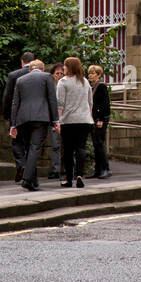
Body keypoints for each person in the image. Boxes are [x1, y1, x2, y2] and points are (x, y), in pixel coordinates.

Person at [10, 58, 60, 191]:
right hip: (40, 117)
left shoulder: (20, 80)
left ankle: (33, 180)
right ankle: (27, 179)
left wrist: (13, 124)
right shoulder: (47, 77)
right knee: (35, 148)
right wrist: (56, 120)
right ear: (42, 68)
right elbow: (52, 99)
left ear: (30, 69)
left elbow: (15, 103)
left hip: (23, 119)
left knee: (28, 149)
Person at [56, 57, 93, 188]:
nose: (63, 69)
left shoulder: (63, 82)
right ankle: (79, 175)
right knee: (80, 148)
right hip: (84, 120)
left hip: (68, 120)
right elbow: (90, 102)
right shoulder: (85, 82)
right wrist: (89, 116)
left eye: (65, 66)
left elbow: (60, 104)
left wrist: (58, 121)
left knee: (68, 150)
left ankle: (68, 178)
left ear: (69, 67)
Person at [2, 50, 35, 182]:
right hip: (35, 115)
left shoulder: (13, 75)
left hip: (17, 114)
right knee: (31, 143)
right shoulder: (40, 76)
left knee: (16, 141)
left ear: (22, 62)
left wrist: (7, 114)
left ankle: (21, 165)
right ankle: (29, 170)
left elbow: (7, 96)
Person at [87, 65, 112, 178]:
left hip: (100, 119)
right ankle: (98, 169)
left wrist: (101, 119)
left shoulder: (101, 86)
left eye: (93, 73)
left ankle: (106, 168)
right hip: (94, 118)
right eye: (89, 73)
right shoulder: (92, 87)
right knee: (96, 144)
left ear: (98, 75)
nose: (90, 75)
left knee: (99, 144)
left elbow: (104, 104)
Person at [46, 62, 65, 176]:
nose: (59, 75)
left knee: (67, 146)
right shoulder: (51, 87)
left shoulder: (66, 85)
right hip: (54, 120)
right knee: (55, 146)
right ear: (53, 74)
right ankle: (55, 170)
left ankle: (68, 169)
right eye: (57, 73)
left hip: (66, 119)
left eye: (61, 73)